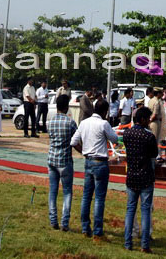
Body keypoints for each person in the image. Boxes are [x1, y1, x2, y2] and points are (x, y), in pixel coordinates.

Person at [71, 97, 119, 241]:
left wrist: (84, 151)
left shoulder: (84, 123)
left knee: (86, 196)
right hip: (101, 162)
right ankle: (98, 231)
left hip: (88, 161)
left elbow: (73, 142)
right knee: (99, 198)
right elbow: (115, 139)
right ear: (105, 111)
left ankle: (85, 228)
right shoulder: (104, 123)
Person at [124, 105, 158, 253]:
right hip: (145, 177)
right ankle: (145, 244)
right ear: (143, 120)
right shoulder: (149, 136)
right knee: (145, 210)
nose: (149, 123)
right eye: (148, 120)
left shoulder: (127, 133)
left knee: (130, 209)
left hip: (131, 175)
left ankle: (127, 242)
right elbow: (153, 155)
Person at [47, 92, 77, 232]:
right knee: (67, 192)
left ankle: (53, 220)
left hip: (52, 159)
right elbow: (76, 140)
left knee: (53, 191)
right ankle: (65, 223)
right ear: (66, 108)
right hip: (65, 160)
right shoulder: (70, 122)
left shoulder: (50, 122)